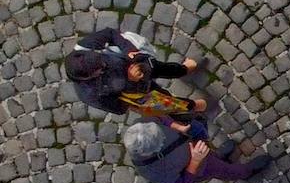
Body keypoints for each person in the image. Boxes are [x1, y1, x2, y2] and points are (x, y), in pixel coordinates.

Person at [64, 28, 207, 118]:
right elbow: (120, 108)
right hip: (141, 92)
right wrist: (132, 81)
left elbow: (111, 34)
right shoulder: (89, 95)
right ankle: (192, 106)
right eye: (100, 68)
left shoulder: (84, 48)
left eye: (101, 60)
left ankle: (183, 70)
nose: (104, 64)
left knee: (165, 68)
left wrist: (133, 54)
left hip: (139, 64)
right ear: (88, 76)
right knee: (167, 102)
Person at [123, 120, 271, 183]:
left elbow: (160, 118)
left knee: (212, 154)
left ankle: (219, 156)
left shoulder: (142, 126)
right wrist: (195, 160)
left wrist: (177, 126)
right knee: (222, 170)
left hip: (195, 148)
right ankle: (245, 172)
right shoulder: (152, 172)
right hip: (200, 165)